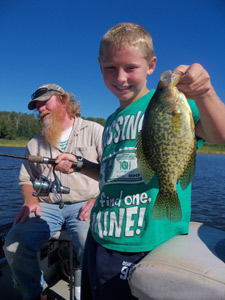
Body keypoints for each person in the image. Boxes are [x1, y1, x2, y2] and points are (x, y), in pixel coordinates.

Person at [54, 23, 225, 300]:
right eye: (110, 68)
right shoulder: (110, 121)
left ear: (151, 65)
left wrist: (204, 93)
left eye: (130, 67)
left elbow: (220, 133)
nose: (120, 77)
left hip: (143, 242)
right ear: (99, 66)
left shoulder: (169, 103)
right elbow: (111, 176)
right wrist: (80, 165)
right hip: (101, 237)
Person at [3, 84, 104, 300]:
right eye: (36, 106)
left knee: (90, 242)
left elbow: (112, 172)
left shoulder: (95, 131)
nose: (40, 109)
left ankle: (92, 294)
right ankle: (38, 295)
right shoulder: (34, 143)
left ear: (64, 101)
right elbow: (26, 180)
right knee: (14, 242)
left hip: (87, 203)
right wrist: (30, 201)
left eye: (45, 102)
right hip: (47, 206)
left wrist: (99, 198)